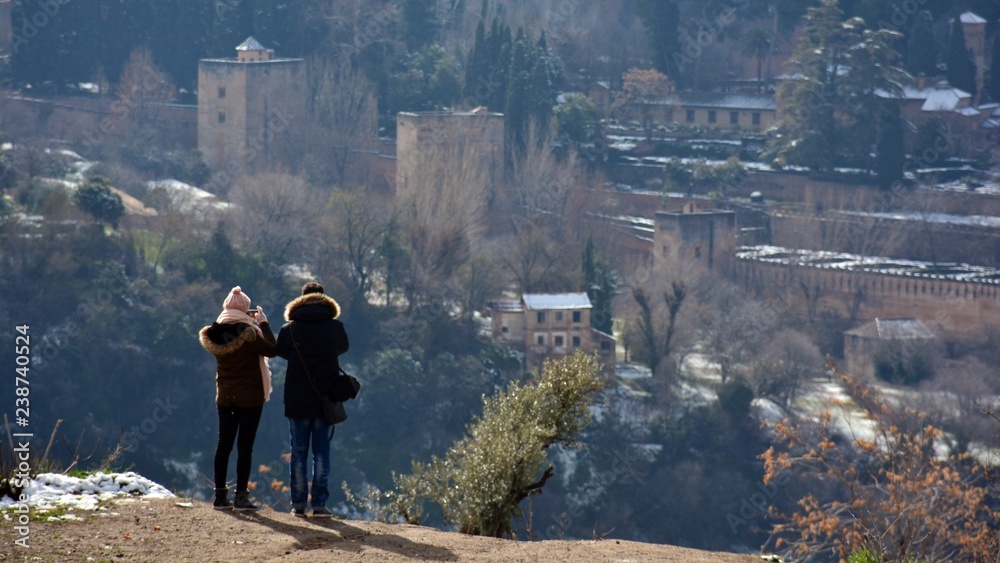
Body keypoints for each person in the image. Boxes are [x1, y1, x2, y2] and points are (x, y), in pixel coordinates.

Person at [275, 282, 349, 518]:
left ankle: (298, 505)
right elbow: (343, 348)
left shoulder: (290, 329)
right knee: (322, 453)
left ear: (301, 300)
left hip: (297, 401)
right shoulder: (335, 327)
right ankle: (319, 504)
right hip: (325, 400)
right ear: (324, 299)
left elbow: (282, 352)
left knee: (298, 453)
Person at [199, 286, 276, 511]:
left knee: (223, 445)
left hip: (225, 397)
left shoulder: (214, 333)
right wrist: (263, 324)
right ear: (245, 310)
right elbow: (272, 349)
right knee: (245, 447)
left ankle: (219, 496)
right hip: (250, 399)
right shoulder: (249, 333)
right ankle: (241, 497)